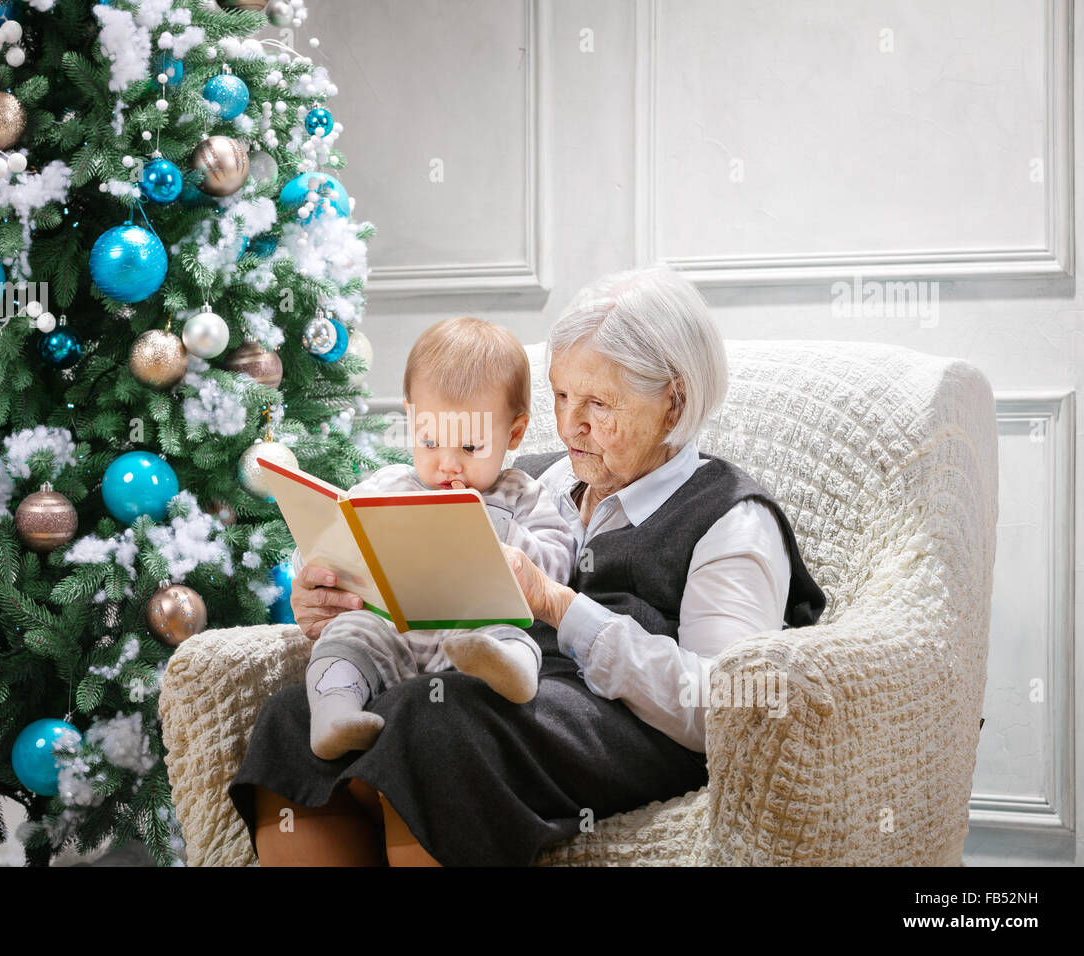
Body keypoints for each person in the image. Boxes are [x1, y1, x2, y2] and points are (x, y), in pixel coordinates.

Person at [228, 265, 827, 866]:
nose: (570, 425)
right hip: (513, 692)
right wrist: (340, 593)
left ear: (673, 403)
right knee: (294, 715)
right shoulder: (535, 478)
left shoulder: (731, 518)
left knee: (436, 718)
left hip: (634, 724)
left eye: (598, 403)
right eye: (563, 396)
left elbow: (727, 707)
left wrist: (558, 604)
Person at [302, 316, 575, 760]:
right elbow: (328, 541)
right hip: (390, 632)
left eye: (469, 448)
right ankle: (336, 712)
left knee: (506, 633)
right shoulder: (386, 487)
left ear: (515, 433)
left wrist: (500, 536)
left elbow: (561, 563)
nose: (448, 464)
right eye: (430, 442)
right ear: (411, 418)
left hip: (470, 638)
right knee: (349, 632)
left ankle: (511, 674)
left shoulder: (519, 494)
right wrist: (316, 567)